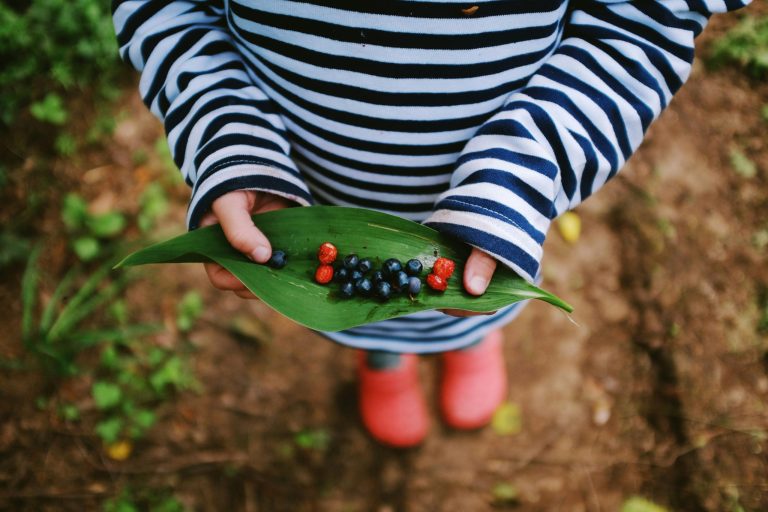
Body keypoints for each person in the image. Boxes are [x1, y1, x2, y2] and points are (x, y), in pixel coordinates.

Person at [113, 0, 752, 447]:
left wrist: (525, 171)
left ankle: (473, 344)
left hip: (491, 200)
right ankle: (384, 359)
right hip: (311, 191)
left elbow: (641, 21)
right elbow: (168, 12)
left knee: (469, 294)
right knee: (358, 299)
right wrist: (230, 137)